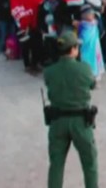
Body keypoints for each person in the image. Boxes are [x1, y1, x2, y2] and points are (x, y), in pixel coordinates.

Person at [43, 31, 99, 188]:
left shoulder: (50, 71)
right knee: (90, 164)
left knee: (56, 165)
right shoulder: (85, 69)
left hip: (57, 122)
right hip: (80, 122)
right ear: (74, 49)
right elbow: (93, 85)